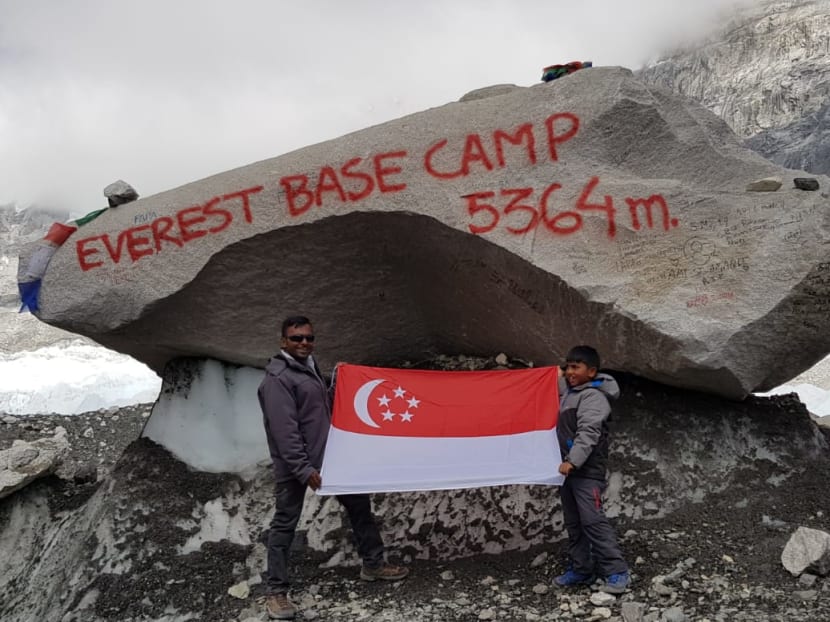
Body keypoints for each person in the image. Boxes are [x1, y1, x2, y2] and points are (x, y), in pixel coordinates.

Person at [257, 315, 409, 620]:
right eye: (297, 338)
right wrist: (303, 469)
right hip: (296, 467)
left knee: (359, 506)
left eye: (309, 338)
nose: (304, 343)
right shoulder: (278, 379)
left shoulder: (309, 368)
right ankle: (276, 592)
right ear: (283, 342)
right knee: (285, 523)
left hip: (329, 459)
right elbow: (284, 431)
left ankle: (373, 565)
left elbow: (319, 410)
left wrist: (337, 383)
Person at [553, 345, 630, 594]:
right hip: (569, 472)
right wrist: (552, 375)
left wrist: (573, 461)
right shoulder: (571, 393)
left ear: (592, 371)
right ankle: (582, 569)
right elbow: (559, 387)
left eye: (576, 367)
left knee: (592, 521)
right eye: (568, 367)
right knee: (574, 523)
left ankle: (617, 571)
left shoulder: (593, 397)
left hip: (586, 471)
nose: (570, 372)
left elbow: (589, 432)